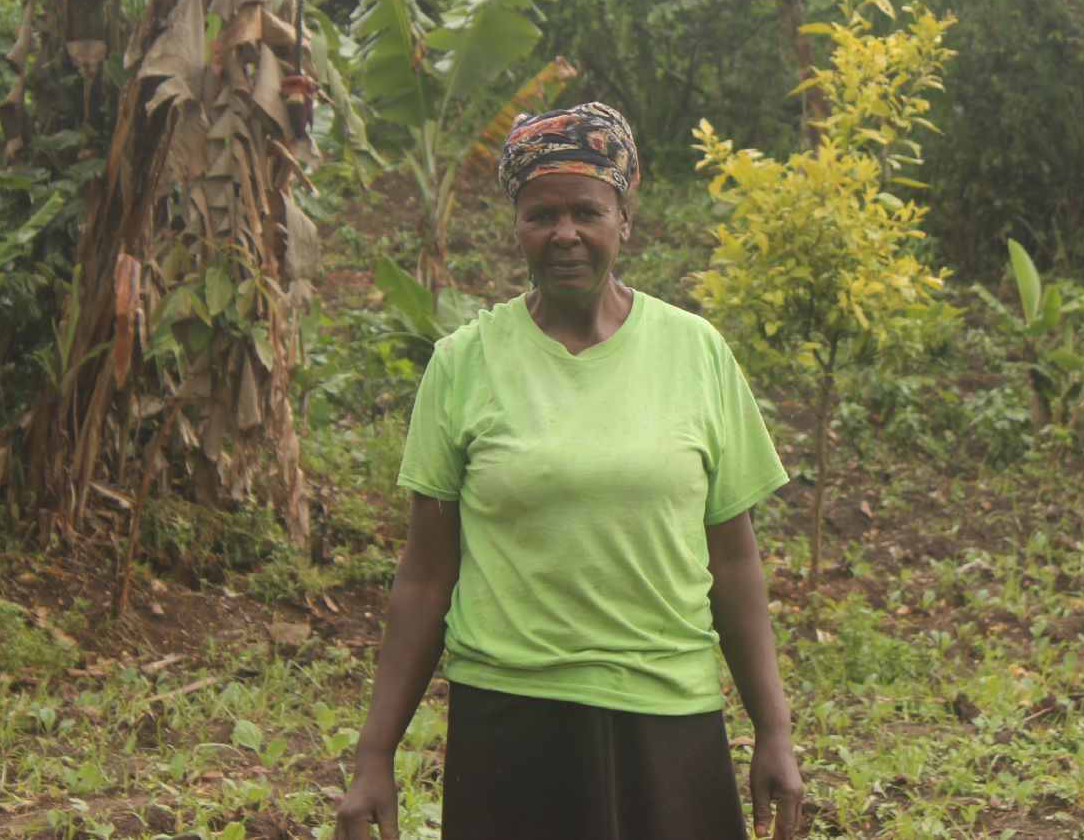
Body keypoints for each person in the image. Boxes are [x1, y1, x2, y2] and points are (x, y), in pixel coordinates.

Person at [335, 102, 804, 840]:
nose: (565, 234)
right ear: (516, 225)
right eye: (540, 213)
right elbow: (426, 574)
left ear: (625, 219)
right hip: (510, 720)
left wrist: (773, 730)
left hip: (669, 712)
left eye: (587, 210)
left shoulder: (695, 352)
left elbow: (734, 556)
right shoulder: (465, 363)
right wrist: (374, 754)